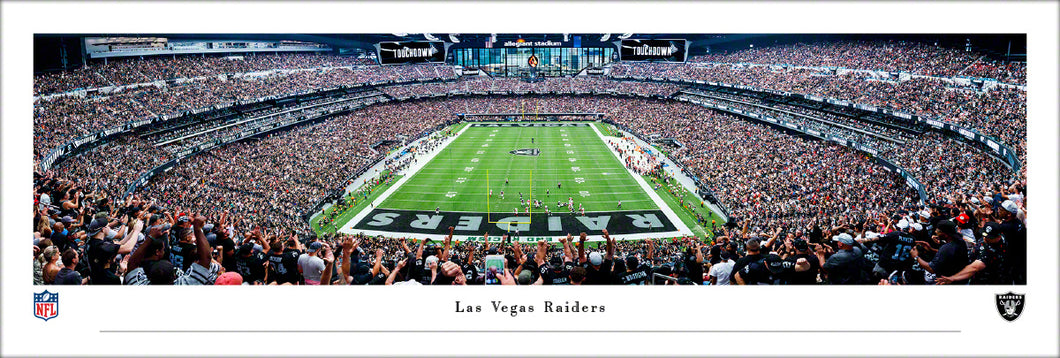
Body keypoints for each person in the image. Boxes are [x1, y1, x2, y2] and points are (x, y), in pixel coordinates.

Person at [935, 222, 1012, 285]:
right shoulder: (999, 236)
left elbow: (973, 268)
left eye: (989, 237)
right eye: (984, 235)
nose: (985, 238)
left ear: (998, 237)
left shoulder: (991, 252)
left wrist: (953, 278)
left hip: (985, 280)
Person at [911, 220, 970, 284]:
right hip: (961, 280)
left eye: (938, 231)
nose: (935, 232)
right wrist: (931, 249)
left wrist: (916, 257)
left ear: (945, 234)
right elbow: (948, 255)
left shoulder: (946, 248)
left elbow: (931, 269)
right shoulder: (960, 241)